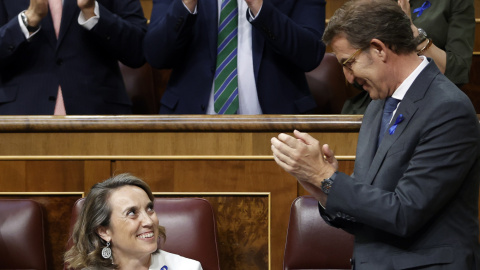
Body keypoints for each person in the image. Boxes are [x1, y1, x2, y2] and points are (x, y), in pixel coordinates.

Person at [271, 0, 480, 269]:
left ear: (379, 49)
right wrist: (322, 186)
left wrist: (325, 177)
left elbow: (404, 213)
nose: (347, 78)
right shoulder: (377, 107)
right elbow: (368, 210)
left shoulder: (448, 109)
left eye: (349, 63)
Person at [144, 0, 326, 114]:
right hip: (190, 127)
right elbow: (157, 55)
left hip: (279, 128)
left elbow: (309, 55)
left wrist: (258, 6)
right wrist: (186, 4)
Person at [0, 0, 147, 115]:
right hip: (19, 117)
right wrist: (27, 21)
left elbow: (138, 50)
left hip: (100, 115)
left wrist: (93, 13)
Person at [342, 0, 475, 115]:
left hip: (430, 99)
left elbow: (458, 71)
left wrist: (414, 36)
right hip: (377, 101)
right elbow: (354, 78)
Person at [64, 173, 203, 270]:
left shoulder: (188, 268)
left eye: (149, 209)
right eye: (132, 213)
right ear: (104, 231)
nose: (149, 221)